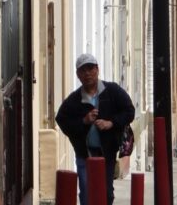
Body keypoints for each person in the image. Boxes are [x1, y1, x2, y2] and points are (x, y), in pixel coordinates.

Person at [55, 53, 135, 205]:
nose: (87, 73)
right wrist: (83, 121)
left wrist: (111, 122)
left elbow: (129, 111)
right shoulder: (74, 99)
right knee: (86, 192)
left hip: (107, 153)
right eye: (82, 70)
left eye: (90, 68)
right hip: (85, 154)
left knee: (106, 193)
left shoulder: (112, 91)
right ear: (78, 75)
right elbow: (61, 119)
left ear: (97, 70)